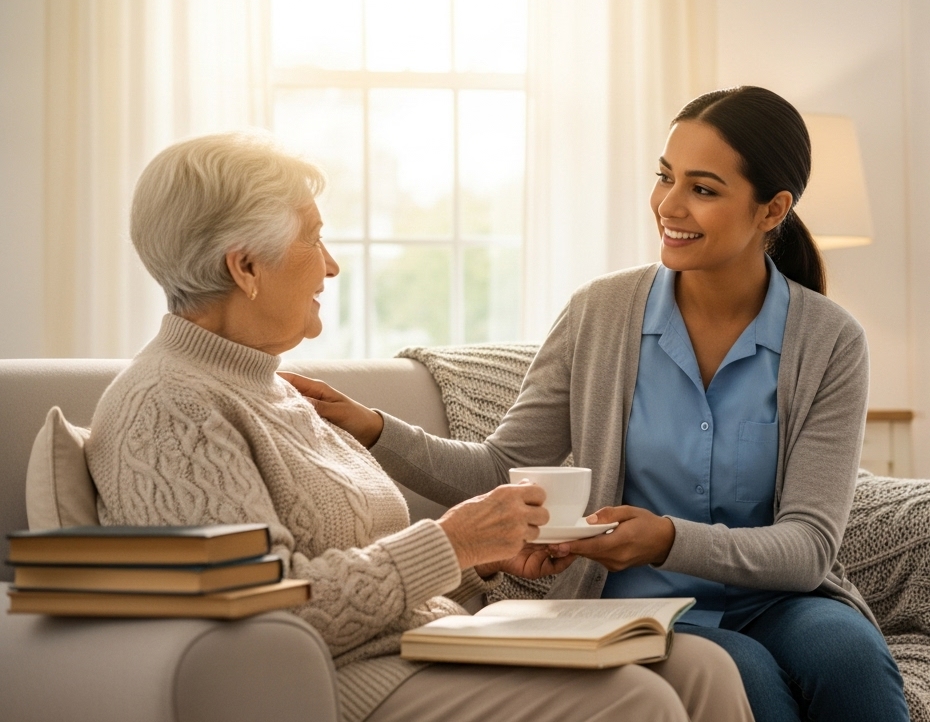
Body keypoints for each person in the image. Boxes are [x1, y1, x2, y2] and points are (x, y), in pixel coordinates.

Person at [287, 87, 911, 722]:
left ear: (771, 209)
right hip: (635, 602)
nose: (669, 205)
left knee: (851, 656)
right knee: (745, 674)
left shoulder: (829, 341)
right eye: (665, 177)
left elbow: (807, 548)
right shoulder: (600, 314)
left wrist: (665, 538)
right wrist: (370, 427)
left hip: (776, 598)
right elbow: (501, 468)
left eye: (703, 188)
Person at [85, 132, 754, 722]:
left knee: (699, 667)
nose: (332, 265)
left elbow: (368, 562)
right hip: (350, 682)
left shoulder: (273, 389)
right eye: (313, 238)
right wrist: (451, 544)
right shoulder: (170, 408)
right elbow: (265, 620)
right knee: (638, 703)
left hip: (431, 645)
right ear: (246, 266)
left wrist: (483, 559)